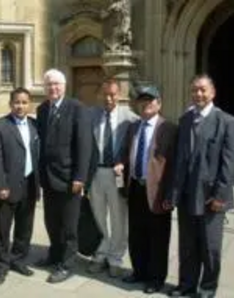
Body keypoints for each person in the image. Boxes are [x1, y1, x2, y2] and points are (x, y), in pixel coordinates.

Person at [166, 75, 234, 298]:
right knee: (187, 245)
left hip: (211, 198)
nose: (198, 94)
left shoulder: (227, 121)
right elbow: (179, 160)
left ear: (213, 93)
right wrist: (173, 193)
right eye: (195, 90)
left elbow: (229, 164)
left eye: (203, 90)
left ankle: (207, 288)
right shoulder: (186, 119)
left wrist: (220, 196)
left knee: (210, 247)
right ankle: (186, 285)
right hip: (187, 195)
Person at [119, 84, 177, 294]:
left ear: (159, 103)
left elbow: (174, 165)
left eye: (150, 100)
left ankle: (156, 278)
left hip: (158, 193)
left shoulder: (168, 128)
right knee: (136, 234)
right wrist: (121, 165)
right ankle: (139, 272)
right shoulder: (134, 126)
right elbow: (127, 153)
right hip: (135, 188)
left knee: (158, 238)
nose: (145, 104)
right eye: (142, 101)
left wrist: (171, 194)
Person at [36, 69, 92, 283]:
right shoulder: (42, 109)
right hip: (48, 178)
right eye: (49, 84)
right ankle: (55, 254)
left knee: (69, 226)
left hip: (70, 178)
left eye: (57, 84)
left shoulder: (77, 108)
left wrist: (80, 177)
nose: (53, 88)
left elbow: (84, 145)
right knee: (51, 221)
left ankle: (67, 264)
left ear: (64, 86)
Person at [86, 79, 138, 277]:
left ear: (119, 95)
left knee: (118, 218)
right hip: (95, 173)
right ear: (100, 94)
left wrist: (125, 165)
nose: (108, 98)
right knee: (98, 215)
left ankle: (115, 257)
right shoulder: (91, 115)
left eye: (113, 94)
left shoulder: (130, 119)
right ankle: (100, 253)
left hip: (117, 175)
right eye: (105, 94)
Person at [0, 87, 40, 285]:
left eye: (24, 102)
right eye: (17, 102)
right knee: (2, 229)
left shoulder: (35, 125)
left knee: (24, 227)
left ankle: (18, 260)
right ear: (10, 104)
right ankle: (0, 267)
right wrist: (0, 185)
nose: (20, 106)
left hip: (30, 183)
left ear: (29, 104)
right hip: (7, 186)